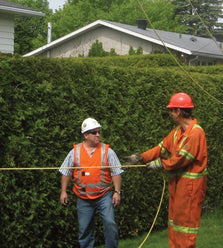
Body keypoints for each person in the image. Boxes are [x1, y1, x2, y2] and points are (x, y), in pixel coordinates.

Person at [125, 92, 208, 248]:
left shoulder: (196, 132)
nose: (170, 113)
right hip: (178, 185)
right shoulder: (177, 132)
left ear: (179, 111)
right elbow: (161, 148)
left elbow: (183, 158)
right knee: (175, 224)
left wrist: (162, 164)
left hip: (191, 189)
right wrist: (141, 157)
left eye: (172, 110)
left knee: (186, 229)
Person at [59, 117, 123, 248]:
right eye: (94, 132)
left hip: (104, 195)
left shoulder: (107, 151)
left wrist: (117, 192)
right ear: (86, 135)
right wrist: (63, 191)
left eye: (98, 132)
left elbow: (116, 172)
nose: (98, 135)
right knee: (84, 229)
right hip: (83, 197)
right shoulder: (75, 152)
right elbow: (66, 172)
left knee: (110, 224)